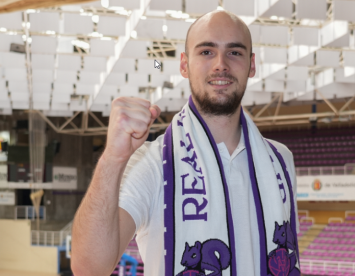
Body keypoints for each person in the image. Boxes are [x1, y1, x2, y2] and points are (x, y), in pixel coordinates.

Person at [71, 10, 300, 276]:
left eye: (234, 52)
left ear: (252, 65)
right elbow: (88, 268)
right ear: (184, 65)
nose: (220, 64)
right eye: (206, 52)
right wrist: (112, 158)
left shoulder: (280, 161)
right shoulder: (153, 163)